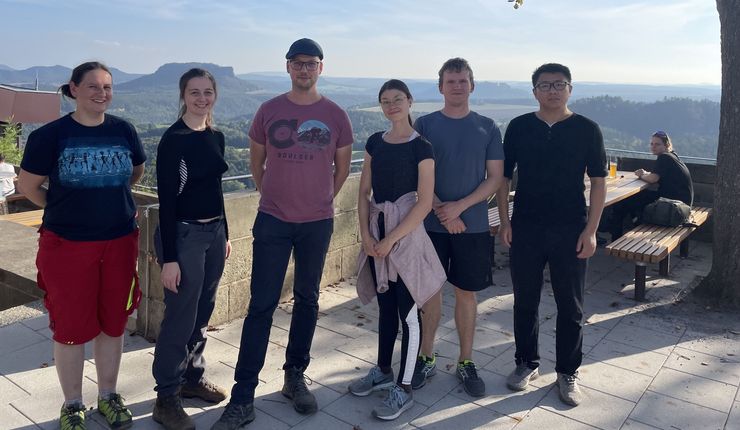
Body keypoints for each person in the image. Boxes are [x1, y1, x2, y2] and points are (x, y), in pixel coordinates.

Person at [212, 38, 353, 429]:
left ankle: (294, 376)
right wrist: (272, 194)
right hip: (273, 220)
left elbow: (341, 170)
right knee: (261, 305)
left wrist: (320, 200)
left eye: (311, 63)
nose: (304, 69)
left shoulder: (336, 114)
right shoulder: (269, 110)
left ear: (321, 68)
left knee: (307, 300)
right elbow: (256, 162)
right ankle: (243, 396)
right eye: (297, 63)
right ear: (288, 67)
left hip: (317, 222)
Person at [17, 61, 145, 430]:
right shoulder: (50, 136)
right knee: (71, 327)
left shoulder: (124, 131)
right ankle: (72, 404)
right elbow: (28, 187)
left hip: (120, 241)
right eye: (92, 86)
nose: (101, 93)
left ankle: (108, 395)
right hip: (67, 245)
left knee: (113, 323)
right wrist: (60, 208)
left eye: (107, 87)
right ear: (73, 89)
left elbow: (134, 173)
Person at [497, 63, 606, 407]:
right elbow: (503, 178)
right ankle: (525, 362)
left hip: (571, 228)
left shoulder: (587, 129)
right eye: (545, 85)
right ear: (535, 92)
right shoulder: (519, 127)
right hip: (526, 226)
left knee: (570, 305)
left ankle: (567, 372)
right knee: (524, 301)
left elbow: (600, 181)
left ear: (570, 89)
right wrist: (505, 221)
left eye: (559, 84)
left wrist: (591, 230)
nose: (553, 90)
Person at [350, 79, 445, 420]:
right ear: (381, 106)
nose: (392, 105)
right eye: (386, 100)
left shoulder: (423, 147)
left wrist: (392, 240)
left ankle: (403, 389)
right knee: (387, 308)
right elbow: (364, 193)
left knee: (408, 313)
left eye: (398, 99)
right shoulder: (375, 142)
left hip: (405, 237)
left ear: (409, 102)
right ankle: (382, 371)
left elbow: (423, 203)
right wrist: (366, 234)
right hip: (377, 232)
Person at [411, 58, 504, 398]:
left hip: (474, 225)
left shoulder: (488, 127)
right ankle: (426, 355)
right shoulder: (425, 124)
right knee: (430, 293)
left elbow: (495, 178)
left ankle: (466, 361)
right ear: (440, 87)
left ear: (472, 85)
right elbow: (415, 173)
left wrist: (459, 208)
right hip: (429, 226)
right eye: (451, 81)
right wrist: (441, 210)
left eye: (463, 81)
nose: (457, 86)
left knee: (467, 293)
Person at [151, 68, 231, 430]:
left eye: (207, 92)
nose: (202, 98)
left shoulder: (216, 136)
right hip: (183, 237)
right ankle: (166, 397)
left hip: (213, 235)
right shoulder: (174, 140)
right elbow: (167, 202)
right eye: (194, 92)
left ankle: (192, 380)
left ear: (215, 95)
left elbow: (216, 189)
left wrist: (225, 233)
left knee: (202, 313)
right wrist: (169, 259)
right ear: (183, 96)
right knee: (180, 318)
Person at [608, 130, 693, 239]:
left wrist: (641, 175)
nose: (653, 147)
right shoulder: (672, 155)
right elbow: (658, 175)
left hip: (672, 205)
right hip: (682, 203)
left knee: (622, 202)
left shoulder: (664, 157)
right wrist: (646, 174)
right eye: (652, 144)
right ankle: (632, 224)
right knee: (634, 200)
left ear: (666, 145)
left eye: (657, 144)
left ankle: (615, 236)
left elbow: (653, 179)